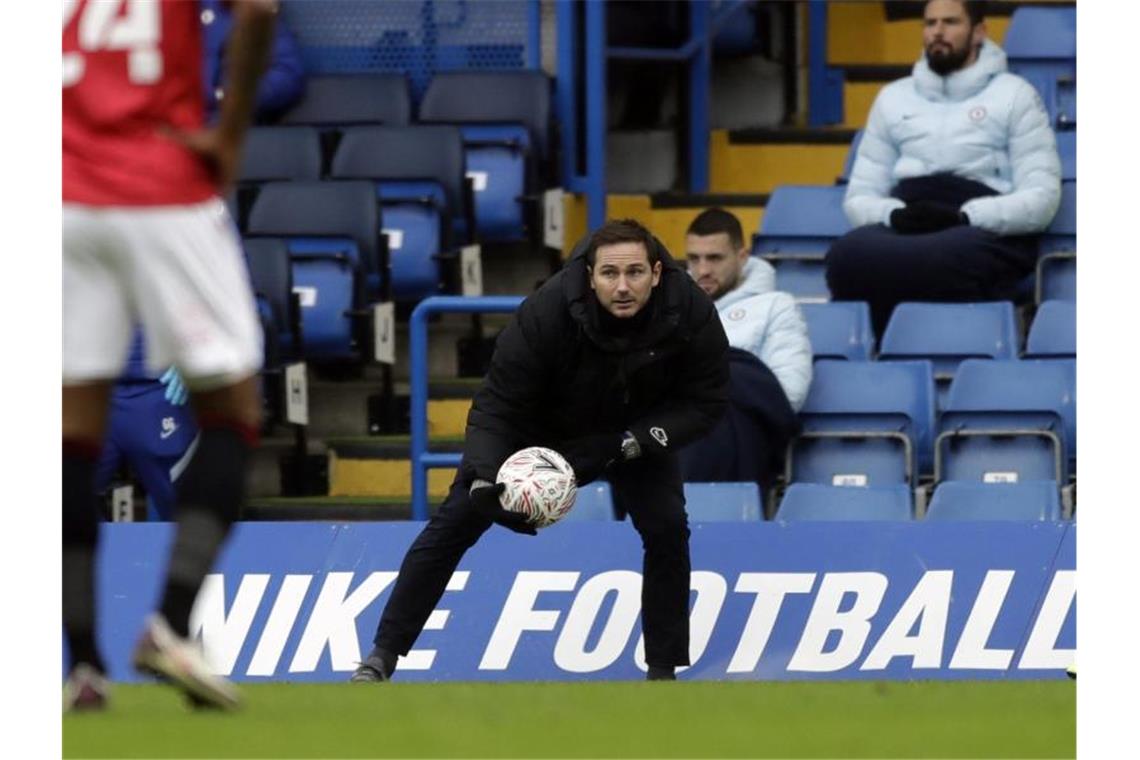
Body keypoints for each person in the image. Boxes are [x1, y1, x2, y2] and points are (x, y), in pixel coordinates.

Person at [351, 219, 729, 683]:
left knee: (668, 527)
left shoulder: (688, 308)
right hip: (541, 429)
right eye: (610, 274)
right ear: (590, 276)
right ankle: (382, 656)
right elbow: (496, 403)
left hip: (633, 433)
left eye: (635, 273)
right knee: (457, 517)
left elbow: (707, 401)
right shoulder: (547, 309)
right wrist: (487, 477)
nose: (623, 286)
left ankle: (663, 670)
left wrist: (632, 443)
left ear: (656, 272)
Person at [62, 0, 275, 711]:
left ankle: (84, 665)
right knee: (234, 406)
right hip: (162, 179)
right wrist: (230, 134)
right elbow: (259, 12)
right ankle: (173, 623)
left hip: (58, 194)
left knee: (70, 433)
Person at [95, 5, 305, 523]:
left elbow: (216, 284)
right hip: (85, 385)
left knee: (190, 516)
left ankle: (197, 603)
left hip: (156, 384)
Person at [825, 0, 1062, 337]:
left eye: (950, 22)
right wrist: (894, 214)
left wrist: (968, 215)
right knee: (846, 256)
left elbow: (1041, 197)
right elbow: (860, 194)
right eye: (930, 23)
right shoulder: (893, 97)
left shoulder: (1015, 95)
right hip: (909, 217)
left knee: (946, 258)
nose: (937, 31)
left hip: (983, 223)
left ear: (979, 31)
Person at [680, 209, 810, 491]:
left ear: (742, 257)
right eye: (694, 259)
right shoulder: (668, 311)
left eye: (715, 258)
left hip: (738, 433)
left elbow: (787, 394)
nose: (702, 270)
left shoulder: (776, 306)